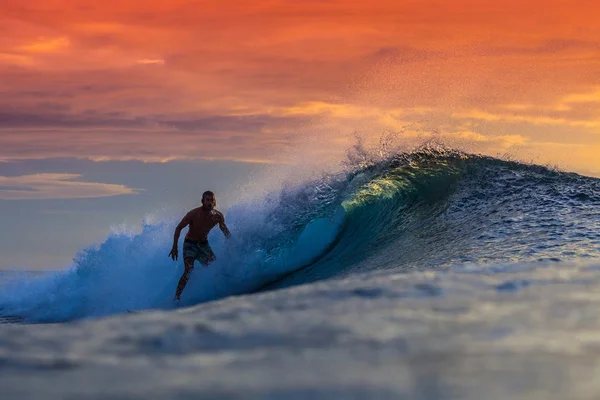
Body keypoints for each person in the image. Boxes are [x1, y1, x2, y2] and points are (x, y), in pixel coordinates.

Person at [169, 190, 230, 302]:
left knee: (215, 267)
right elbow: (179, 228)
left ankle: (218, 295)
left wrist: (232, 242)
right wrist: (174, 247)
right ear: (202, 201)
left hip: (204, 246)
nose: (210, 202)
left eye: (212, 200)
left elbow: (224, 230)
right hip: (190, 245)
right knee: (188, 270)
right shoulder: (193, 214)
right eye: (207, 200)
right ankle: (176, 298)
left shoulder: (218, 216)